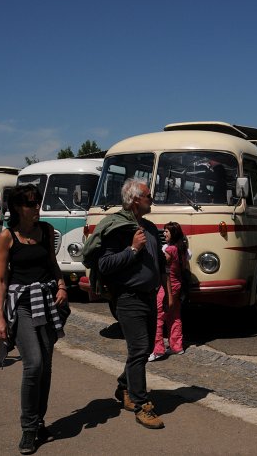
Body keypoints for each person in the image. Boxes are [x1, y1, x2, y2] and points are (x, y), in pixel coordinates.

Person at [0, 184, 69, 455]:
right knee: (33, 363)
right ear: (16, 207)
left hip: (47, 301)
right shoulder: (7, 236)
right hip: (22, 304)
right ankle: (27, 428)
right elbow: (1, 279)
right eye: (29, 203)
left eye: (37, 201)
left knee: (46, 365)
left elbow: (52, 263)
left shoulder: (46, 231)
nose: (36, 206)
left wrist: (61, 285)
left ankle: (39, 421)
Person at [99, 178, 166, 429]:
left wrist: (165, 289)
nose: (152, 199)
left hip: (150, 296)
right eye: (148, 196)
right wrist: (133, 250)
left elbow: (160, 260)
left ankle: (124, 387)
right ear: (135, 199)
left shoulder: (149, 227)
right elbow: (105, 264)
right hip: (128, 298)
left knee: (145, 348)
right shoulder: (118, 229)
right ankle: (141, 404)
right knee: (139, 351)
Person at [149, 221, 188, 361]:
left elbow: (162, 266)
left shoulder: (170, 250)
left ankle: (158, 349)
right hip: (178, 284)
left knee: (158, 315)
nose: (164, 233)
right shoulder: (182, 248)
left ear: (174, 234)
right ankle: (177, 346)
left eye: (167, 231)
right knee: (174, 315)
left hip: (168, 286)